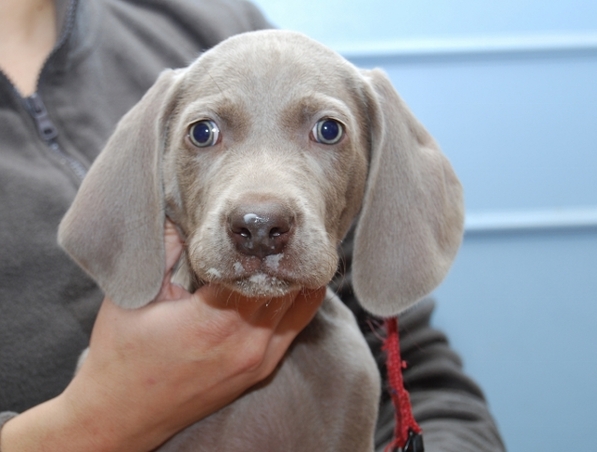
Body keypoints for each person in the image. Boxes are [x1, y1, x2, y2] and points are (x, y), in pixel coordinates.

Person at [0, 0, 505, 451]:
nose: (261, 213)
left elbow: (424, 380)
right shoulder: (178, 83)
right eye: (204, 133)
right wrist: (93, 422)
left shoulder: (206, 20)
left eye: (327, 131)